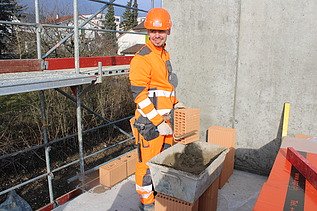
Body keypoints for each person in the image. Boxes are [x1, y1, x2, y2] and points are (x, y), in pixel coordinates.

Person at [129, 7, 184, 211]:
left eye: (161, 31)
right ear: (147, 31)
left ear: (168, 31)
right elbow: (140, 97)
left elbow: (164, 88)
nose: (157, 35)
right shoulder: (142, 58)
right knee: (146, 167)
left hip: (165, 123)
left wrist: (176, 103)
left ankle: (160, 196)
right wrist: (159, 123)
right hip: (150, 126)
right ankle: (147, 203)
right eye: (153, 31)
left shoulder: (164, 54)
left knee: (164, 162)